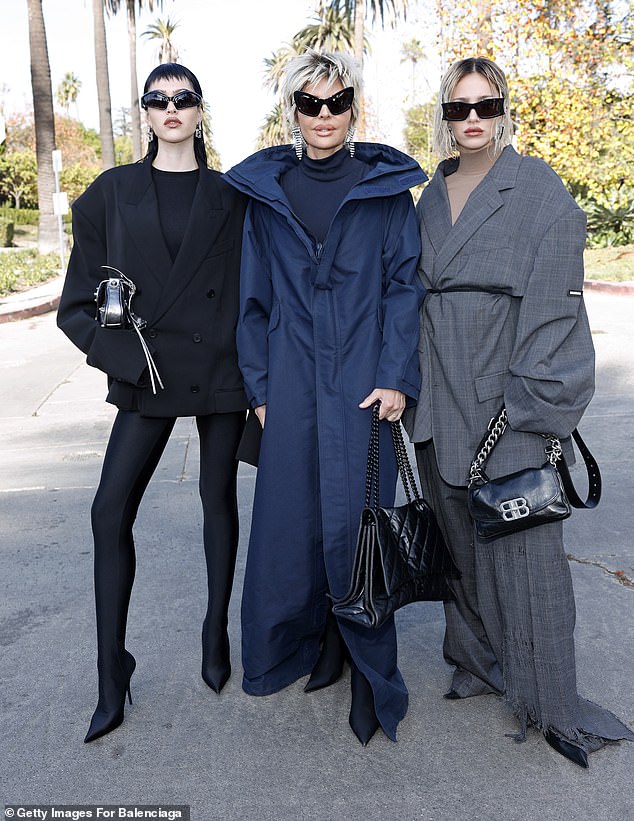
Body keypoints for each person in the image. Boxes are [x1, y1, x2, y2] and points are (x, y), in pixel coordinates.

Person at [405, 56, 634, 766]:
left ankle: (552, 700)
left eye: (484, 105)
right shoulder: (429, 196)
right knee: (457, 546)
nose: (470, 119)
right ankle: (476, 659)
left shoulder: (538, 191)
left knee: (528, 558)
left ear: (503, 108)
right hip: (437, 394)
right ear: (443, 116)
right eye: (457, 108)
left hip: (505, 402)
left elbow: (555, 310)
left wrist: (529, 409)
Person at [224, 49, 425, 745]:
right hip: (291, 384)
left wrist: (398, 374)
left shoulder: (385, 192)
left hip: (364, 384)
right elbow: (252, 301)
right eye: (310, 104)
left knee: (361, 523)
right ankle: (294, 650)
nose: (324, 116)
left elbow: (405, 288)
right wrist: (261, 390)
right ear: (292, 112)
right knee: (288, 527)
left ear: (353, 108)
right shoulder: (265, 197)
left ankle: (368, 669)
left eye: (337, 102)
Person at [57, 63, 248, 742]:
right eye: (159, 99)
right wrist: (125, 360)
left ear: (200, 111)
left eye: (184, 98)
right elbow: (76, 306)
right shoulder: (109, 195)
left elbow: (255, 291)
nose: (171, 108)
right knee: (107, 512)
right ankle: (113, 670)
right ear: (144, 111)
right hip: (147, 373)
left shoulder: (232, 196)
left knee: (217, 499)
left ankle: (214, 634)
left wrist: (260, 378)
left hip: (220, 371)